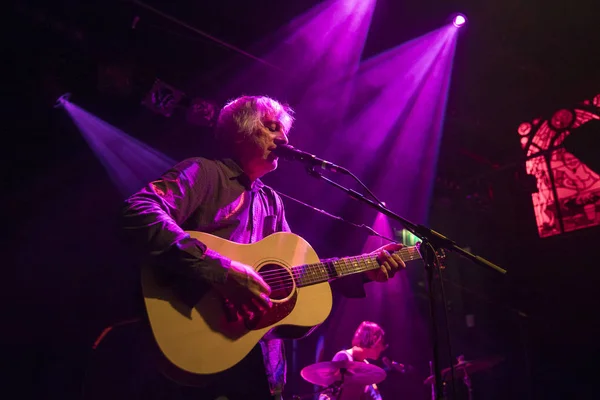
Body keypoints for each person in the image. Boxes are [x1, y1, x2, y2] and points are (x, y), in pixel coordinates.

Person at [118, 95, 406, 400]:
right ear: (241, 131)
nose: (283, 138)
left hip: (261, 367)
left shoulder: (272, 202)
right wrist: (222, 271)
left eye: (284, 131)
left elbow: (295, 275)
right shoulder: (204, 173)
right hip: (195, 346)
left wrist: (364, 269)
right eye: (272, 128)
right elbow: (139, 211)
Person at [318, 321, 388, 400]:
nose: (382, 348)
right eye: (381, 342)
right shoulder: (343, 357)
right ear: (373, 340)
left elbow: (374, 396)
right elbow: (328, 392)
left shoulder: (366, 365)